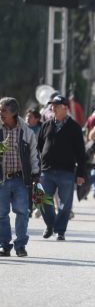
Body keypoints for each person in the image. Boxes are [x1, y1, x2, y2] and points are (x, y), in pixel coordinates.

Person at [37, 95, 86, 241]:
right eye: (52, 106)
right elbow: (39, 146)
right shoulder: (46, 125)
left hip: (66, 172)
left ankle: (60, 230)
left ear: (65, 108)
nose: (53, 109)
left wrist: (81, 174)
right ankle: (50, 224)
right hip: (46, 171)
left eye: (56, 106)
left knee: (65, 204)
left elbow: (81, 153)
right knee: (42, 200)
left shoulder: (74, 127)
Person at [0, 98, 40, 257]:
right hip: (1, 180)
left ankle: (21, 245)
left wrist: (36, 173)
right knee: (1, 214)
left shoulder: (25, 131)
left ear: (13, 113)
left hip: (20, 179)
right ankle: (4, 245)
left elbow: (33, 154)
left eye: (3, 110)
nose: (1, 113)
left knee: (22, 212)